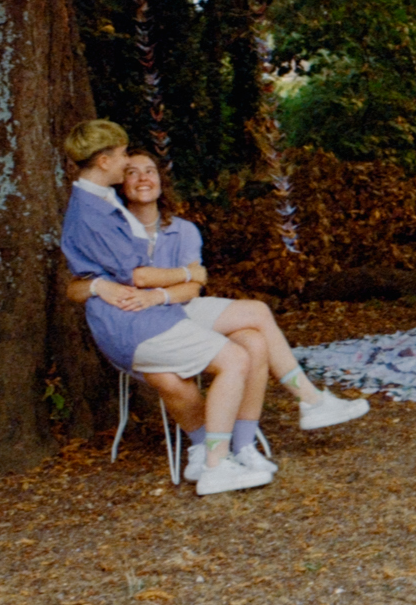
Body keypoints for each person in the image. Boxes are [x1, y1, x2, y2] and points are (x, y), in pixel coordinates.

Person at [67, 151, 369, 481]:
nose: (143, 178)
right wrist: (111, 285)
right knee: (168, 377)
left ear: (161, 181)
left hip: (175, 308)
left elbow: (193, 288)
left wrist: (159, 293)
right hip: (139, 325)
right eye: (132, 172)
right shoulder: (113, 226)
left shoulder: (182, 230)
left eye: (150, 171)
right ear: (121, 183)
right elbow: (79, 286)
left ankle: (249, 442)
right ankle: (206, 449)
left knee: (254, 332)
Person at [59, 122, 269, 495]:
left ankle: (218, 451)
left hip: (144, 318)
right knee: (235, 359)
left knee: (243, 344)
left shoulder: (99, 200)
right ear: (104, 161)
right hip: (132, 322)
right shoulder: (93, 213)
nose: (126, 162)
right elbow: (135, 275)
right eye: (123, 156)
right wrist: (188, 273)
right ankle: (216, 465)